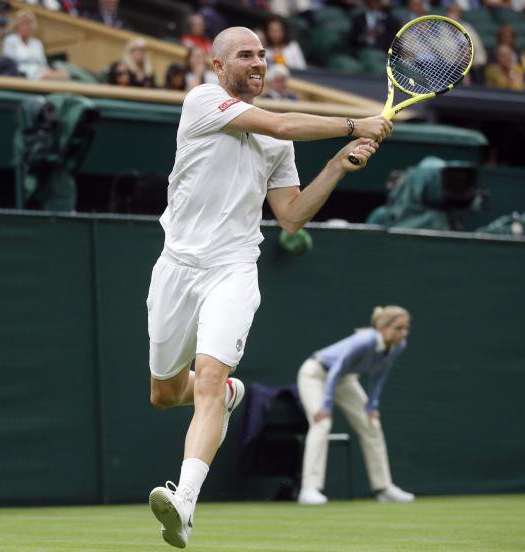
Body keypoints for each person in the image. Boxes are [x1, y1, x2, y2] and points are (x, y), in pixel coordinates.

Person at [145, 26, 392, 549]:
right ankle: (231, 396)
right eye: (245, 55)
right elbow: (281, 121)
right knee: (166, 394)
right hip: (176, 266)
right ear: (218, 66)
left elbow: (293, 215)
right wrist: (356, 123)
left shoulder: (278, 143)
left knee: (209, 379)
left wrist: (336, 166)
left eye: (262, 54)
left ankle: (184, 500)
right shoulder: (203, 100)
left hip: (234, 268)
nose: (257, 62)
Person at [296, 306, 414, 506]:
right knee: (322, 424)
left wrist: (372, 405)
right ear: (383, 328)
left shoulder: (398, 346)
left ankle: (384, 488)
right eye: (398, 328)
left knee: (371, 424)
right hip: (316, 374)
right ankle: (309, 489)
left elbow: (379, 376)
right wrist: (326, 406)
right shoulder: (365, 340)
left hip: (345, 379)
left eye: (406, 328)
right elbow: (335, 370)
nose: (403, 333)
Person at [1, 10, 68, 80]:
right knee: (48, 77)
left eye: (29, 23)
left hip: (40, 72)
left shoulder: (37, 43)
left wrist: (49, 71)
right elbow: (9, 64)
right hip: (21, 73)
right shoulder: (10, 40)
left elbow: (43, 64)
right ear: (17, 25)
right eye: (24, 23)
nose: (27, 26)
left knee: (64, 74)